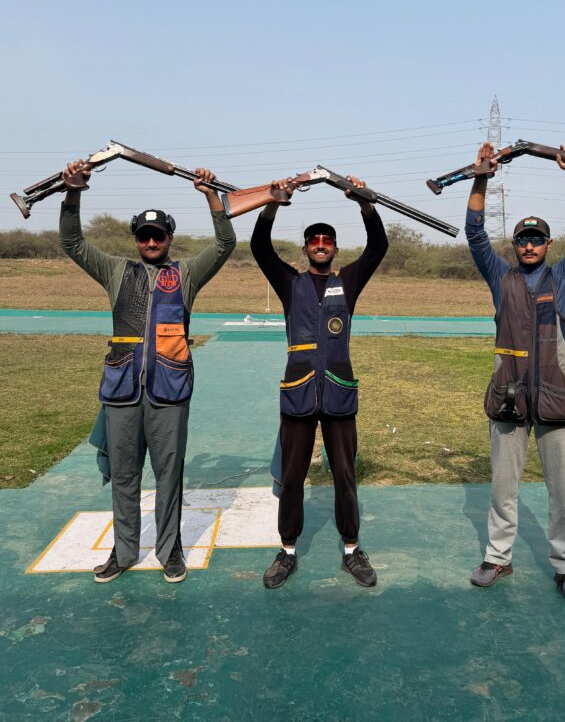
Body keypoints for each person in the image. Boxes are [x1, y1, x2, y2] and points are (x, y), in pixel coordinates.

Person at [60, 158, 236, 583]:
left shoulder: (185, 273)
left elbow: (225, 243)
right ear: (136, 238)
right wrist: (73, 191)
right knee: (124, 475)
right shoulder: (116, 270)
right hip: (121, 390)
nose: (151, 241)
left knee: (169, 475)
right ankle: (123, 552)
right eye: (144, 235)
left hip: (169, 391)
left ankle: (170, 549)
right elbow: (72, 242)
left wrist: (211, 196)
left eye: (158, 235)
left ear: (170, 238)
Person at [466, 141, 565, 604]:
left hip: (556, 398)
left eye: (536, 239)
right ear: (515, 245)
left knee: (563, 493)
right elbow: (474, 233)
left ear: (548, 244)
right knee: (503, 489)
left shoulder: (564, 277)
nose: (528, 245)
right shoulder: (499, 277)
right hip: (508, 397)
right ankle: (497, 557)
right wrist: (481, 177)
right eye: (522, 239)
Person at [251, 175, 388, 589]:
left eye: (327, 240)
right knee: (293, 476)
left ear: (335, 249)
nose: (321, 244)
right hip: (298, 393)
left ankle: (351, 548)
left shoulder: (348, 281)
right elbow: (260, 247)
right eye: (314, 240)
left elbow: (378, 246)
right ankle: (287, 550)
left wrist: (364, 203)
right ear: (306, 248)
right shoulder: (289, 283)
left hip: (339, 393)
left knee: (345, 474)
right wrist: (273, 203)